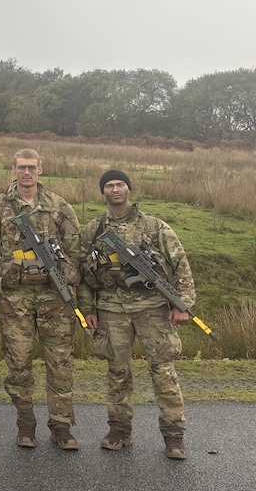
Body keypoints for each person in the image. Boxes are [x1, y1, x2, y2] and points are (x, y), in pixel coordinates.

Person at [78, 169, 194, 460]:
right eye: (109, 186)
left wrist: (182, 304)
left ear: (129, 189)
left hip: (152, 308)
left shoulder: (154, 226)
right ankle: (119, 431)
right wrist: (88, 310)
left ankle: (174, 436)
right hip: (111, 308)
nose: (115, 189)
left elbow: (180, 263)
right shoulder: (93, 230)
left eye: (120, 184)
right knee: (117, 373)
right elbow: (81, 272)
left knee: (163, 371)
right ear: (103, 191)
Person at [0, 149, 81, 450]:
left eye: (32, 167)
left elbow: (75, 249)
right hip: (16, 299)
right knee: (19, 363)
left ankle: (61, 427)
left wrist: (66, 278)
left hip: (54, 297)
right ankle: (25, 424)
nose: (26, 173)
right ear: (13, 170)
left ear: (41, 170)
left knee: (60, 363)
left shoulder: (59, 206)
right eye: (21, 167)